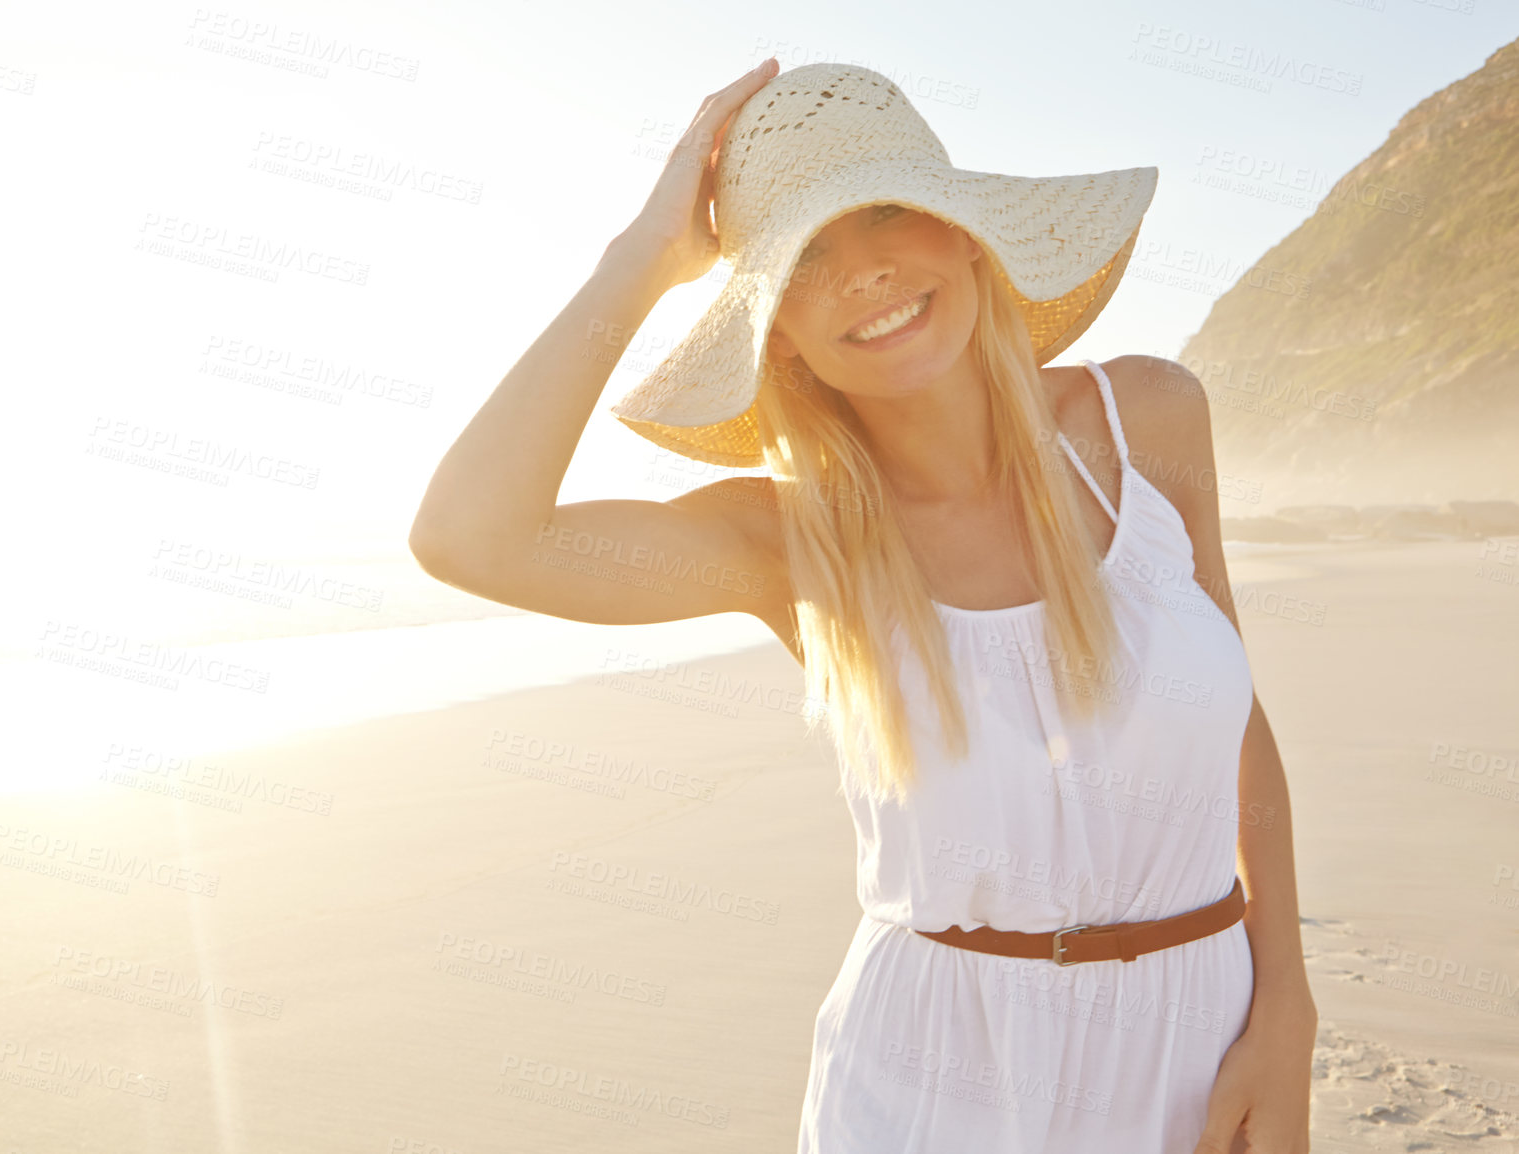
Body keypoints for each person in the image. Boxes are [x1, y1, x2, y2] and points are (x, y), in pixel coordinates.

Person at [410, 58, 1315, 1154]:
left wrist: (1286, 1011)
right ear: (772, 331)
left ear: (966, 232)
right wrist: (643, 257)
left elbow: (1237, 724)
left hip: (1197, 1054)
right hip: (931, 1086)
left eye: (887, 211)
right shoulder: (790, 543)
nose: (863, 272)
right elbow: (470, 534)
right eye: (802, 257)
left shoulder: (1149, 420)